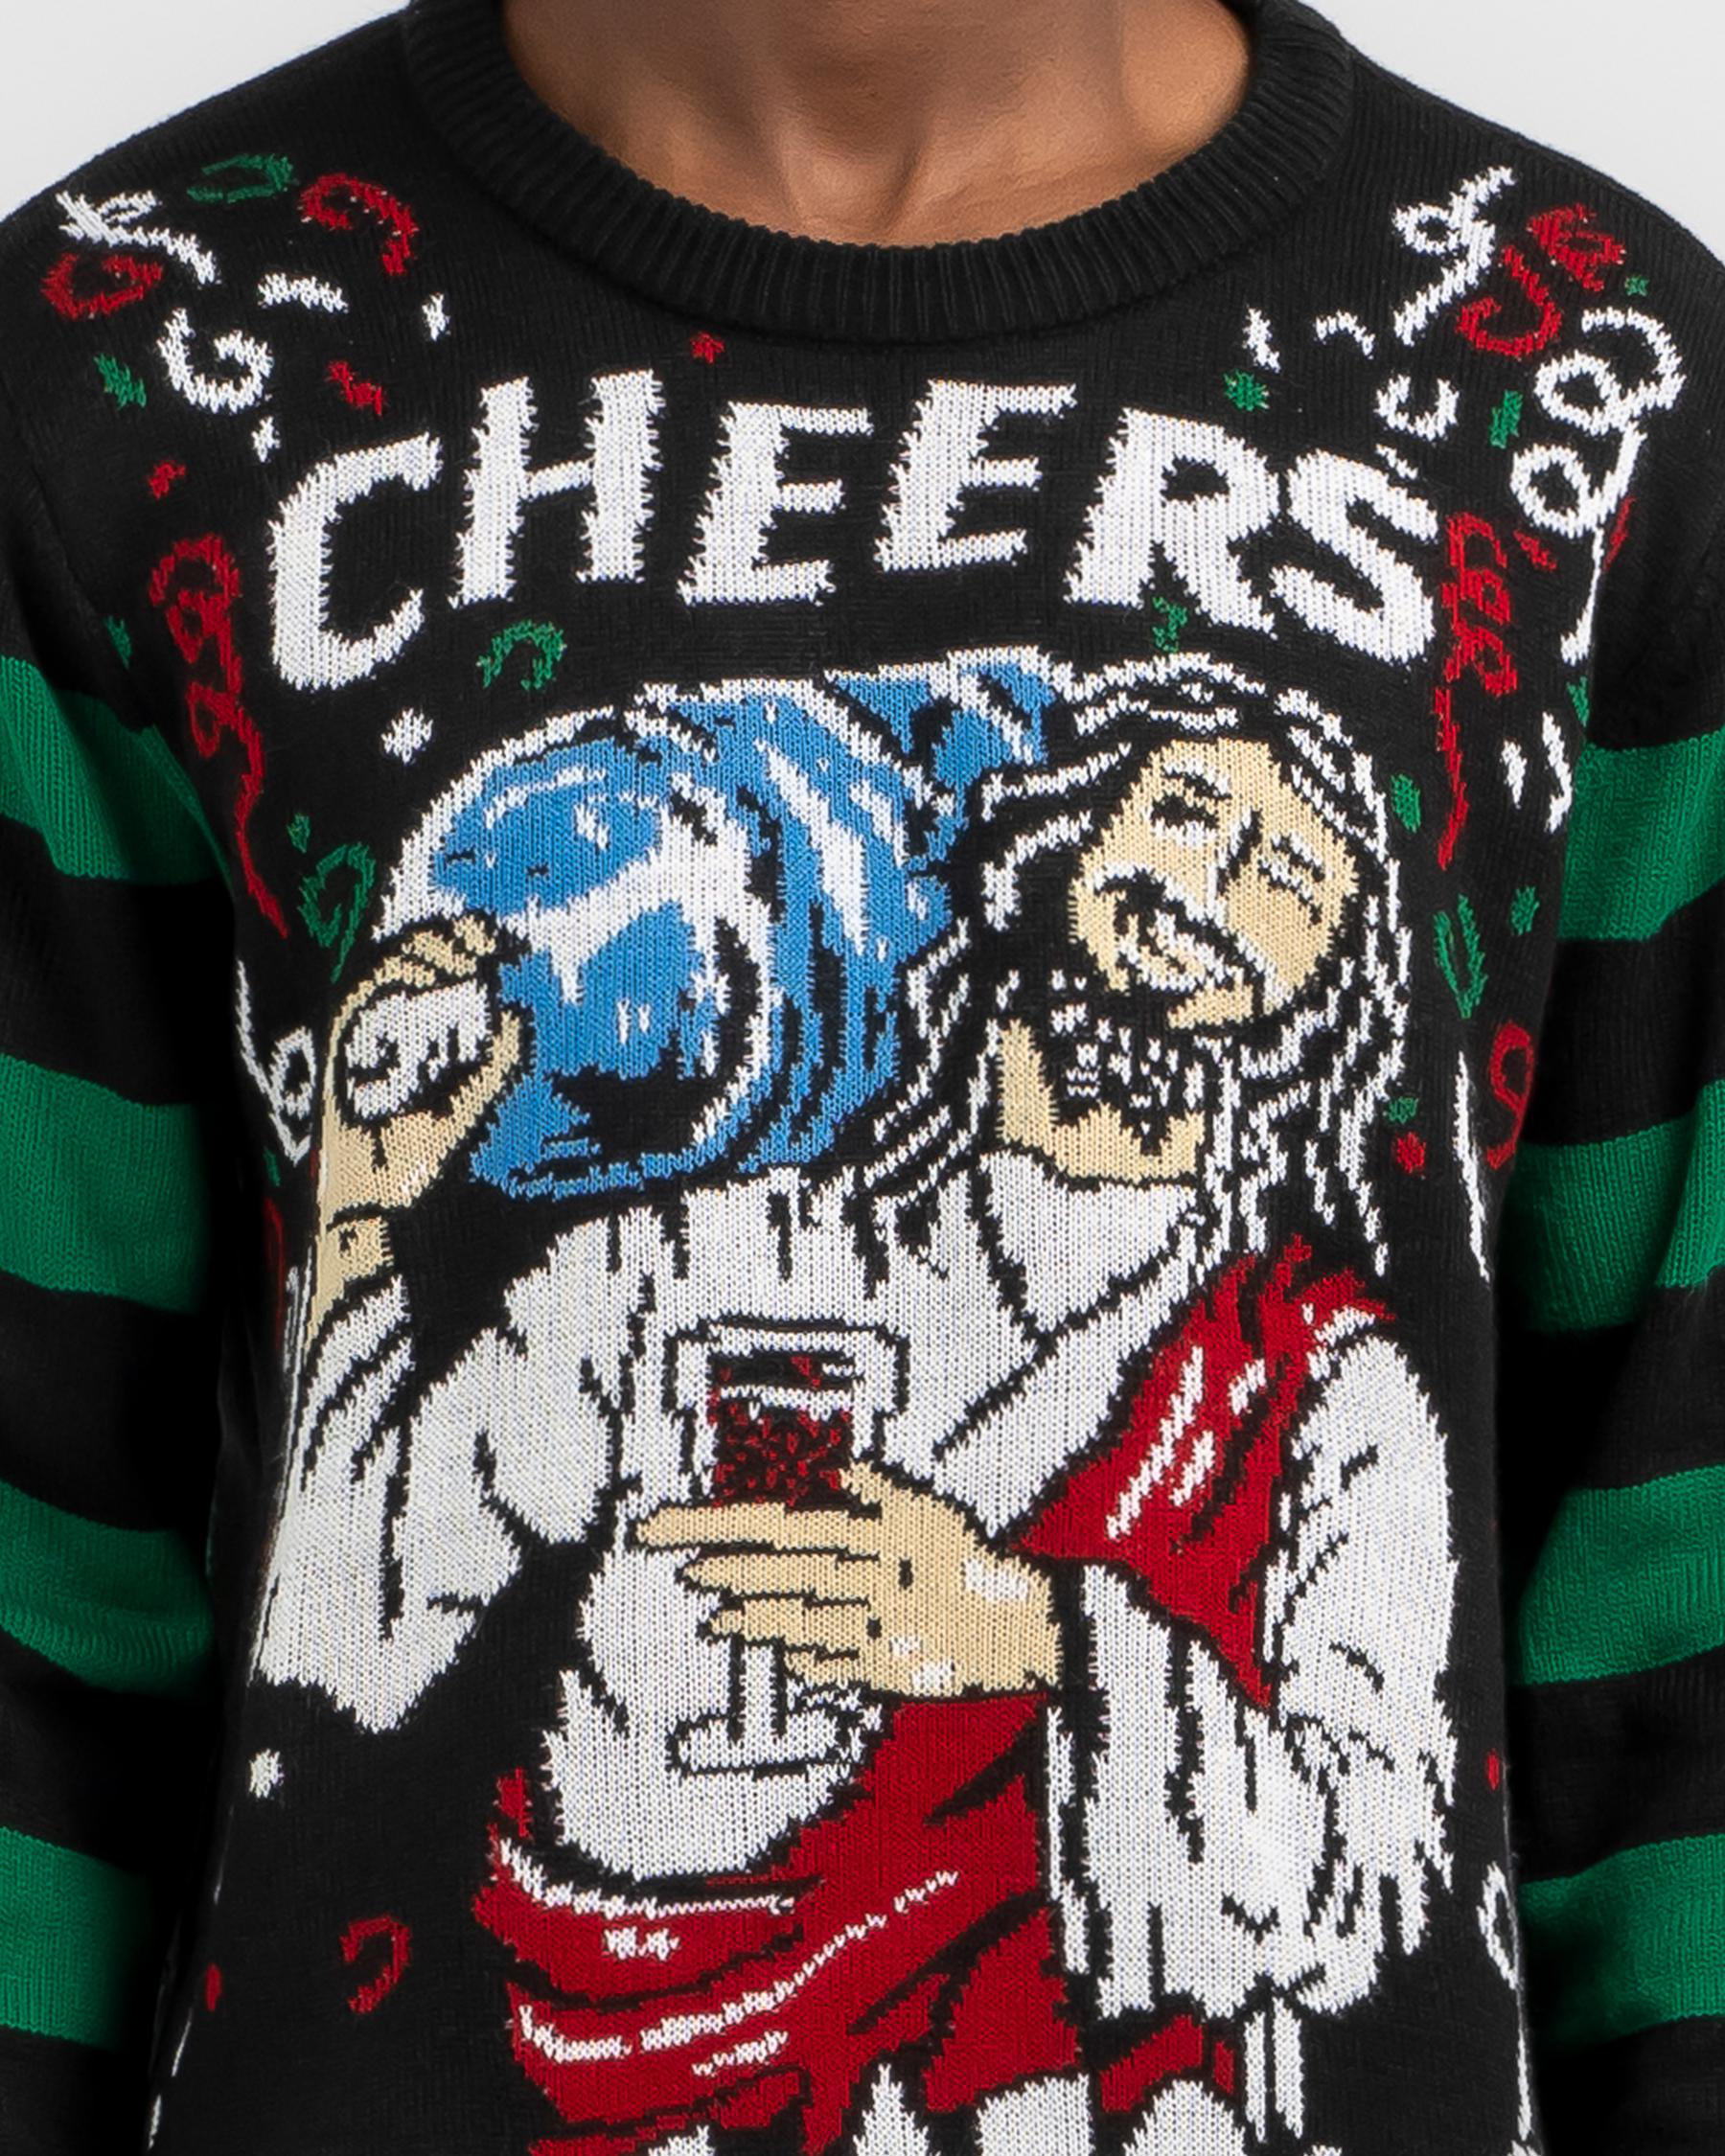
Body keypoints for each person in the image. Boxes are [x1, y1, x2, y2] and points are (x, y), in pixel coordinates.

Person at [0, 2, 1718, 2154]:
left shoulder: (1596, 392)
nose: (1203, 895)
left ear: (1329, 1006)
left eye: (1288, 874)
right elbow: (128, 1635)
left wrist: (1024, 1637)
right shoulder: (121, 364)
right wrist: (364, 1215)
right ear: (1036, 851)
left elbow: (1624, 1733)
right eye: (1180, 817)